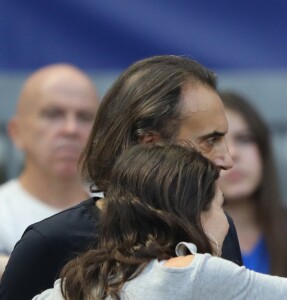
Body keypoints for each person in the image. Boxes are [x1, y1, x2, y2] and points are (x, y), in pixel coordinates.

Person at [0, 55, 242, 300]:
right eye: (210, 141)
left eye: (83, 116)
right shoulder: (49, 244)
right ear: (152, 145)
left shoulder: (217, 226)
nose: (227, 159)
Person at [33, 144, 287, 300]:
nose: (226, 221)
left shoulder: (78, 282)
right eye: (220, 206)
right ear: (194, 214)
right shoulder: (190, 273)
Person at [0, 64, 99, 277]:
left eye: (84, 117)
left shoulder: (123, 214)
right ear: (17, 132)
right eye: (53, 114)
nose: (71, 129)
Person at [218, 91, 287, 276]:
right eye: (215, 141)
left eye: (244, 139)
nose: (233, 152)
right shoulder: (181, 249)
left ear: (263, 150)